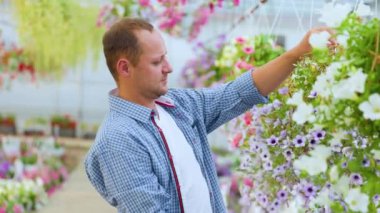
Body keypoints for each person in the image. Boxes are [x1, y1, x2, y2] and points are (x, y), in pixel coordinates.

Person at [84, 17, 334, 213]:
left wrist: (297, 53)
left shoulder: (176, 105)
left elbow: (238, 93)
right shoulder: (119, 140)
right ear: (124, 68)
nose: (168, 68)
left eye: (166, 58)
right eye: (157, 62)